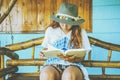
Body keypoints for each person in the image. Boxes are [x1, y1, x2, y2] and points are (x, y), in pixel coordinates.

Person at [39, 3, 91, 80]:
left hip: (73, 65)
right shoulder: (51, 30)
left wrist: (74, 59)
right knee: (46, 75)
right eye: (62, 22)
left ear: (74, 22)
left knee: (69, 75)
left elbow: (83, 56)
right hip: (53, 64)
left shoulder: (81, 32)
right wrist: (43, 52)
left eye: (68, 23)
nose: (64, 25)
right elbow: (46, 49)